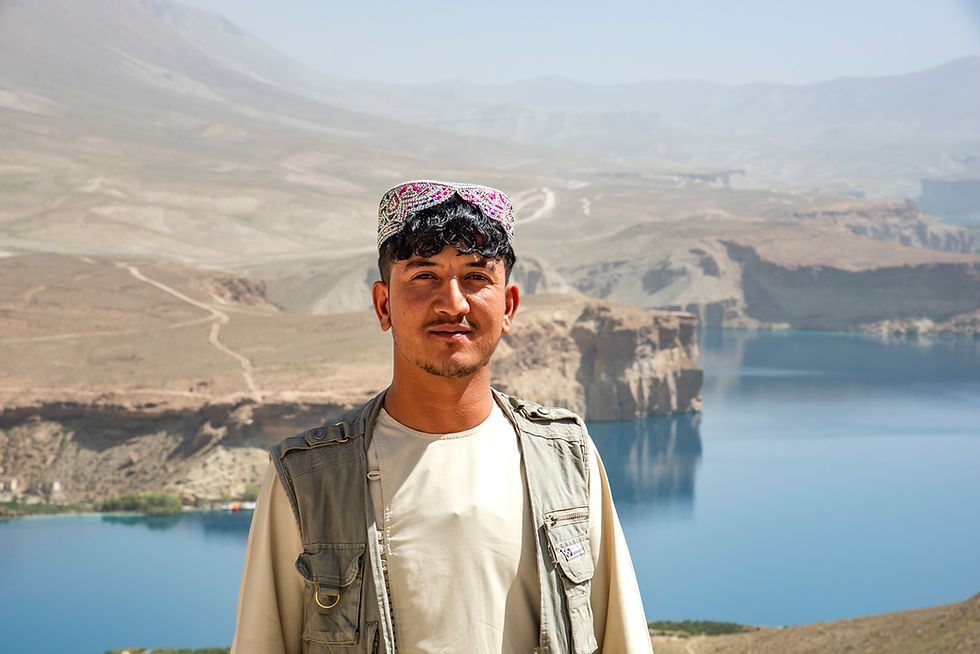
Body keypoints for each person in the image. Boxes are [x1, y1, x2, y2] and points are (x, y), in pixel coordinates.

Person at [231, 180, 654, 654]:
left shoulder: (566, 460)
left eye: (476, 277)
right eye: (424, 276)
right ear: (383, 304)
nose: (453, 303)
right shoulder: (307, 480)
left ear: (508, 305)